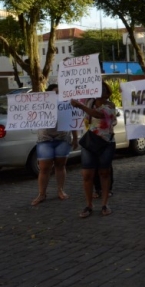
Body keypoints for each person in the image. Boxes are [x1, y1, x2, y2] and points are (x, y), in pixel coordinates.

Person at [70, 81, 117, 218]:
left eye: (103, 88)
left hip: (106, 143)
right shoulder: (87, 101)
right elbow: (74, 89)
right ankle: (89, 205)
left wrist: (80, 106)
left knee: (104, 172)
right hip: (90, 142)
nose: (100, 90)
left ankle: (104, 204)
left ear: (107, 92)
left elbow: (98, 115)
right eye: (97, 88)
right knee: (87, 174)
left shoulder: (110, 105)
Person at [31, 84, 79, 206]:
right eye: (56, 92)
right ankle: (42, 194)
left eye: (60, 92)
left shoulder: (67, 103)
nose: (59, 94)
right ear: (49, 94)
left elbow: (72, 119)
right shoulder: (42, 103)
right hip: (45, 139)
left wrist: (75, 137)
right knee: (44, 168)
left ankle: (60, 190)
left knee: (60, 165)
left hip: (62, 138)